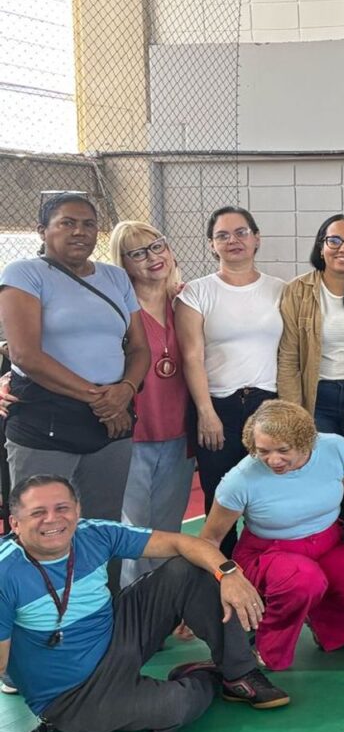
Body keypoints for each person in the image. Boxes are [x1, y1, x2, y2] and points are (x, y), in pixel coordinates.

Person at [0, 474, 286, 732]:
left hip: (117, 634)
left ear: (77, 510)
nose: (52, 519)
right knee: (178, 707)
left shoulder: (92, 533)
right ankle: (205, 675)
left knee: (189, 569)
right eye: (37, 512)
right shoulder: (5, 571)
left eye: (62, 508)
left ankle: (240, 674)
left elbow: (182, 543)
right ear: (15, 523)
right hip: (74, 694)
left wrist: (229, 573)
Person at [198, 400, 344, 672]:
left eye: (283, 450)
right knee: (303, 581)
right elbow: (208, 541)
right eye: (263, 451)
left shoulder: (335, 449)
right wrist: (200, 594)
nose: (273, 460)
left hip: (327, 544)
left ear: (305, 441)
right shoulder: (239, 479)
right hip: (267, 553)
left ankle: (324, 625)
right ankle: (268, 650)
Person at [0, 194, 147, 541]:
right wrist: (102, 401)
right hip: (47, 422)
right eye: (67, 222)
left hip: (112, 424)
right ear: (42, 230)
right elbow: (25, 354)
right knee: (42, 527)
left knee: (103, 528)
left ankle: (102, 581)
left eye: (88, 224)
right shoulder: (24, 273)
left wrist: (125, 391)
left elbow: (140, 348)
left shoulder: (116, 278)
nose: (79, 231)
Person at [176, 206, 286, 555]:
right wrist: (206, 412)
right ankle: (221, 572)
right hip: (217, 407)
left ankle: (266, 569)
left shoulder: (281, 290)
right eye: (222, 235)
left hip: (267, 406)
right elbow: (192, 357)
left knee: (267, 494)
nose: (233, 240)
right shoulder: (195, 293)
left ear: (257, 239)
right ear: (212, 245)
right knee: (220, 495)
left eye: (241, 232)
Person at [108, 221, 196, 587]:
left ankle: (164, 605)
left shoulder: (188, 301)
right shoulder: (117, 309)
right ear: (124, 263)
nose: (152, 257)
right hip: (133, 435)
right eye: (138, 253)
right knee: (135, 530)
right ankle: (133, 603)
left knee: (169, 527)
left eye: (157, 246)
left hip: (180, 433)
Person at [277, 214, 344, 463]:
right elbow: (288, 358)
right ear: (321, 246)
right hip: (317, 397)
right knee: (321, 469)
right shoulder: (298, 291)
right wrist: (293, 413)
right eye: (334, 240)